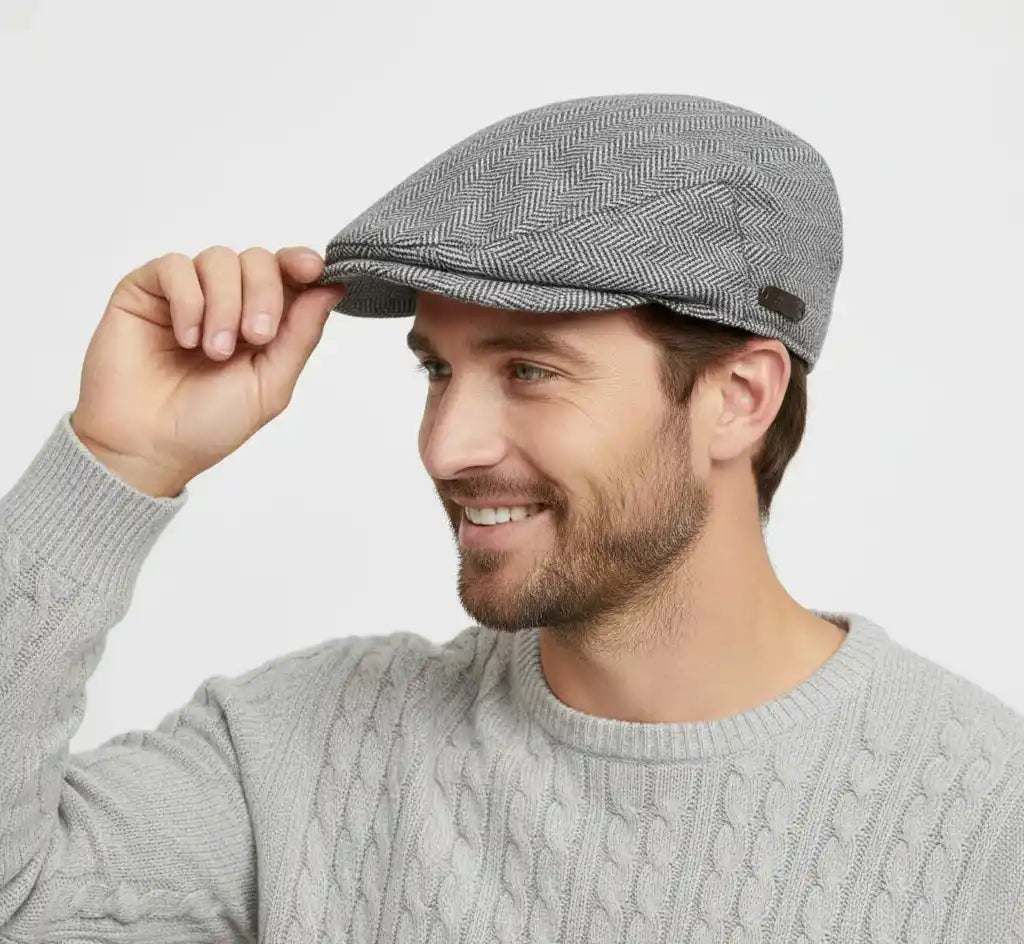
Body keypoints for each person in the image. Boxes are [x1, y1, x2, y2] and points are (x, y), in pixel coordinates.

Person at [1, 93, 1021, 942]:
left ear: (739, 397)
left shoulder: (986, 819)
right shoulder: (300, 751)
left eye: (529, 370)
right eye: (438, 371)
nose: (446, 446)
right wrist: (116, 463)